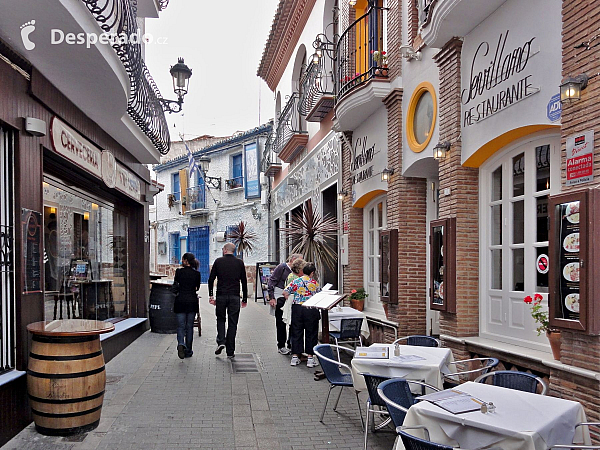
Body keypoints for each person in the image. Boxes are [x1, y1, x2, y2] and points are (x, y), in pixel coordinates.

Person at [208, 242, 248, 359]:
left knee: (220, 319)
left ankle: (221, 341)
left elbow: (211, 280)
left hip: (221, 296)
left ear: (225, 250)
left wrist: (211, 295)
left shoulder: (218, 262)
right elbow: (244, 281)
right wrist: (244, 298)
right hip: (235, 296)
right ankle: (230, 351)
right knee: (233, 323)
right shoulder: (239, 263)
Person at [283, 262, 321, 368]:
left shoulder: (295, 281)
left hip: (297, 309)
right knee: (311, 333)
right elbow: (319, 294)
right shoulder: (314, 283)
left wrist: (294, 297)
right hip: (311, 309)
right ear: (312, 273)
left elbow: (285, 292)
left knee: (296, 331)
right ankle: (310, 358)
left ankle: (295, 357)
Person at [268, 253, 303, 355]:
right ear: (292, 260)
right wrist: (272, 297)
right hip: (280, 297)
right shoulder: (282, 267)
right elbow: (272, 281)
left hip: (293, 298)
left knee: (294, 322)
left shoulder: (299, 272)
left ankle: (291, 344)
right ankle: (281, 345)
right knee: (281, 322)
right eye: (299, 261)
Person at [173, 253, 201, 359]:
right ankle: (188, 350)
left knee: (180, 326)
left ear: (185, 261)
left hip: (180, 301)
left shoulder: (179, 272)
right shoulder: (196, 274)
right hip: (192, 301)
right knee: (189, 327)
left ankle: (181, 343)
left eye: (182, 260)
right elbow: (197, 288)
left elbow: (175, 286)